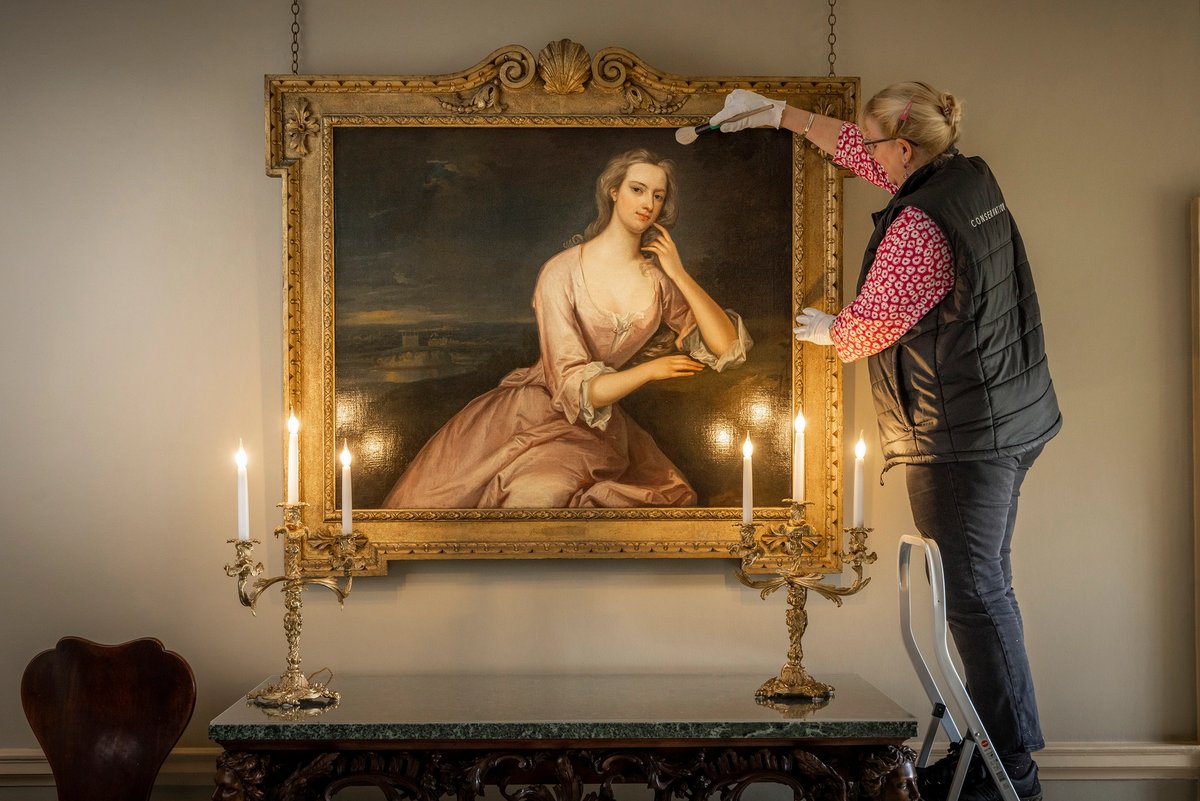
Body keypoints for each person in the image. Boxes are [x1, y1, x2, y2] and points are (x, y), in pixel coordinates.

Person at [712, 83, 1060, 801]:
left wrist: (826, 329)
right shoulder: (963, 177)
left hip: (961, 438)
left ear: (904, 147)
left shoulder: (920, 229)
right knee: (988, 588)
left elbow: (867, 329)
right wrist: (780, 114)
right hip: (1012, 416)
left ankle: (1009, 772)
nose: (864, 156)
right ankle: (998, 756)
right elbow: (861, 153)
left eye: (874, 145)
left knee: (972, 597)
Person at [382, 148, 752, 509]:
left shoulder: (659, 280)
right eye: (637, 190)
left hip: (595, 427)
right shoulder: (560, 272)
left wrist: (679, 273)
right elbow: (570, 385)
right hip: (530, 414)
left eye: (658, 195)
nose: (648, 203)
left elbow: (727, 347)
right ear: (613, 192)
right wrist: (648, 371)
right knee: (522, 497)